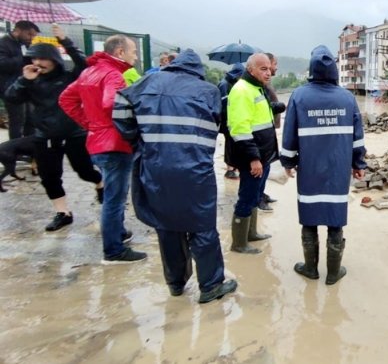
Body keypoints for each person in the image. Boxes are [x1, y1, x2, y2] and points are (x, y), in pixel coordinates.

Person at [113, 49, 237, 303]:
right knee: (202, 226)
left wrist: (138, 139)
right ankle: (211, 285)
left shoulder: (145, 83)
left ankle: (176, 283)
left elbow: (120, 110)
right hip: (195, 169)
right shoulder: (208, 91)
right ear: (197, 70)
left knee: (167, 225)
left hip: (155, 166)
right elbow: (218, 124)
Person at [4, 25, 104, 232]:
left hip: (74, 133)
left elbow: (84, 64)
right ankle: (63, 213)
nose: (38, 63)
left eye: (42, 59)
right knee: (49, 177)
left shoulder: (69, 77)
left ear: (53, 59)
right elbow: (11, 97)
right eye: (34, 59)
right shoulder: (29, 81)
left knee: (84, 171)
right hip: (45, 136)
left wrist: (65, 40)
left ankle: (100, 184)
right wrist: (24, 80)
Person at [280, 45, 366, 285]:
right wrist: (358, 163)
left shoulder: (298, 96)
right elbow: (358, 137)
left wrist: (288, 161)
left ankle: (310, 269)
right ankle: (333, 273)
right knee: (334, 217)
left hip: (309, 169)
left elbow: (289, 135)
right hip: (338, 170)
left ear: (311, 69)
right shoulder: (347, 98)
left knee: (309, 217)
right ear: (335, 71)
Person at [58, 35, 147, 264]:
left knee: (112, 194)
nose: (135, 56)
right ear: (119, 52)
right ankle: (113, 250)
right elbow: (111, 103)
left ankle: (118, 233)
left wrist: (90, 124)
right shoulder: (113, 75)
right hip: (115, 144)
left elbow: (66, 99)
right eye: (133, 51)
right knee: (114, 198)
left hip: (97, 141)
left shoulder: (89, 72)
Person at [227, 53, 285, 253]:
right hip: (253, 157)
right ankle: (239, 243)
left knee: (254, 196)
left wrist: (278, 106)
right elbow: (240, 128)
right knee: (246, 196)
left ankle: (251, 233)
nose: (268, 73)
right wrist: (253, 159)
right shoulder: (242, 90)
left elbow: (261, 115)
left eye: (269, 68)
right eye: (263, 69)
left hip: (264, 155)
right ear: (250, 69)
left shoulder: (256, 88)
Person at [0, 20, 40, 139]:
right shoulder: (3, 43)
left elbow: (26, 62)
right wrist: (22, 57)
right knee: (17, 119)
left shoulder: (24, 44)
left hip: (27, 86)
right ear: (18, 31)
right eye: (29, 34)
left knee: (31, 118)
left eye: (34, 35)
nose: (31, 38)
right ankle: (15, 147)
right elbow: (2, 64)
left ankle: (29, 147)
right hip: (10, 87)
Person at [258, 52, 281, 211]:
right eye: (275, 64)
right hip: (260, 135)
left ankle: (261, 194)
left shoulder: (267, 83)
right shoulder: (262, 85)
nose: (275, 68)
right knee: (260, 170)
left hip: (268, 131)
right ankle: (258, 199)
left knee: (266, 169)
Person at [218, 62, 245, 180]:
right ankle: (229, 169)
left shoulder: (234, 83)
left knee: (234, 143)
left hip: (233, 119)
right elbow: (224, 104)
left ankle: (234, 166)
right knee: (230, 143)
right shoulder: (225, 84)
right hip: (226, 120)